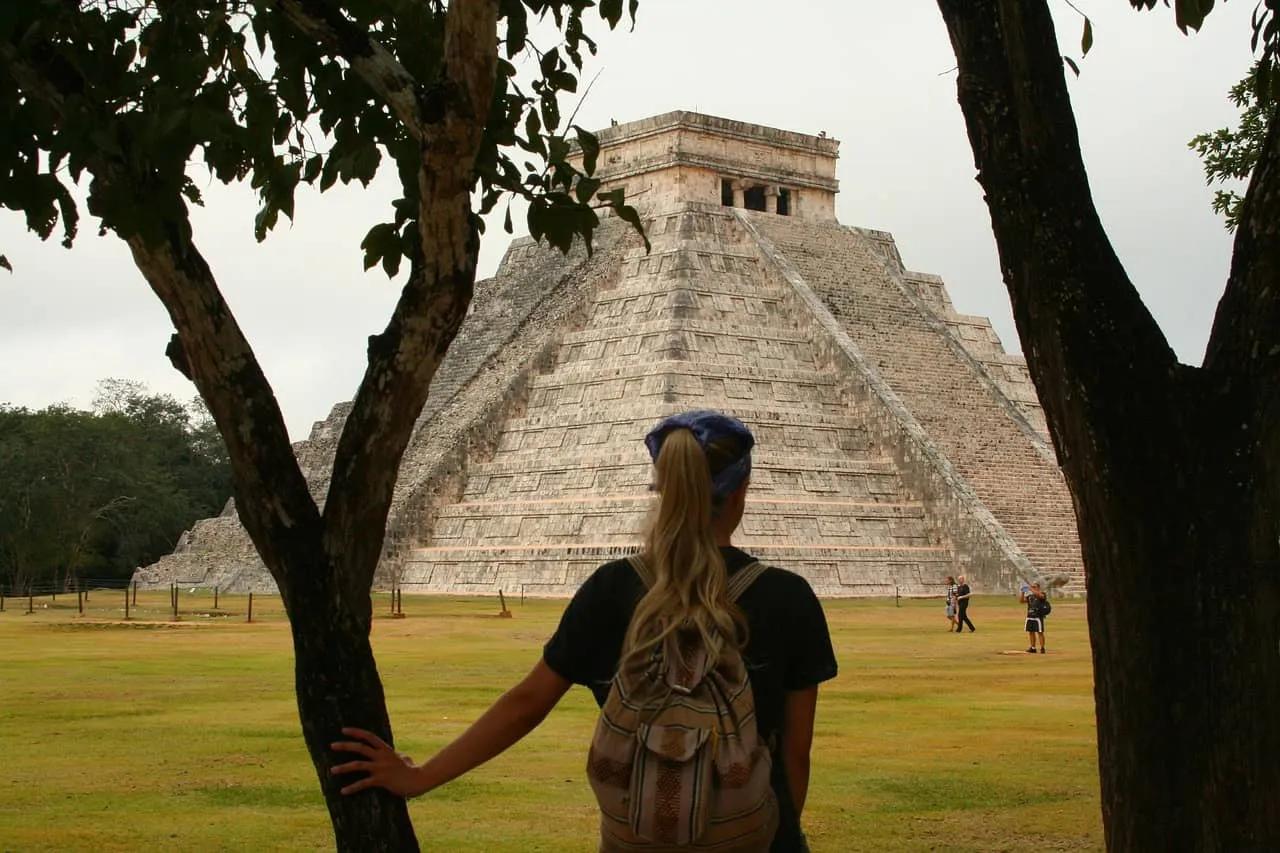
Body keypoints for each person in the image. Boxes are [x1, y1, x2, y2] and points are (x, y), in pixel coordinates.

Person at [329, 410, 838, 852]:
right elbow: (795, 754)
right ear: (741, 491)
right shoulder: (787, 597)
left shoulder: (613, 589)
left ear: (664, 490)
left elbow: (527, 703)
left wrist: (420, 777)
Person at [1020, 581, 1049, 653]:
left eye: (1035, 587)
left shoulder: (1042, 594)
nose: (1033, 588)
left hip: (1038, 616)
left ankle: (1042, 648)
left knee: (1040, 632)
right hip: (1030, 615)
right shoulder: (1030, 596)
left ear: (1038, 588)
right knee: (1031, 632)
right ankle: (1033, 647)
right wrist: (1023, 592)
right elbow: (1021, 601)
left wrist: (1030, 588)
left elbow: (1040, 596)